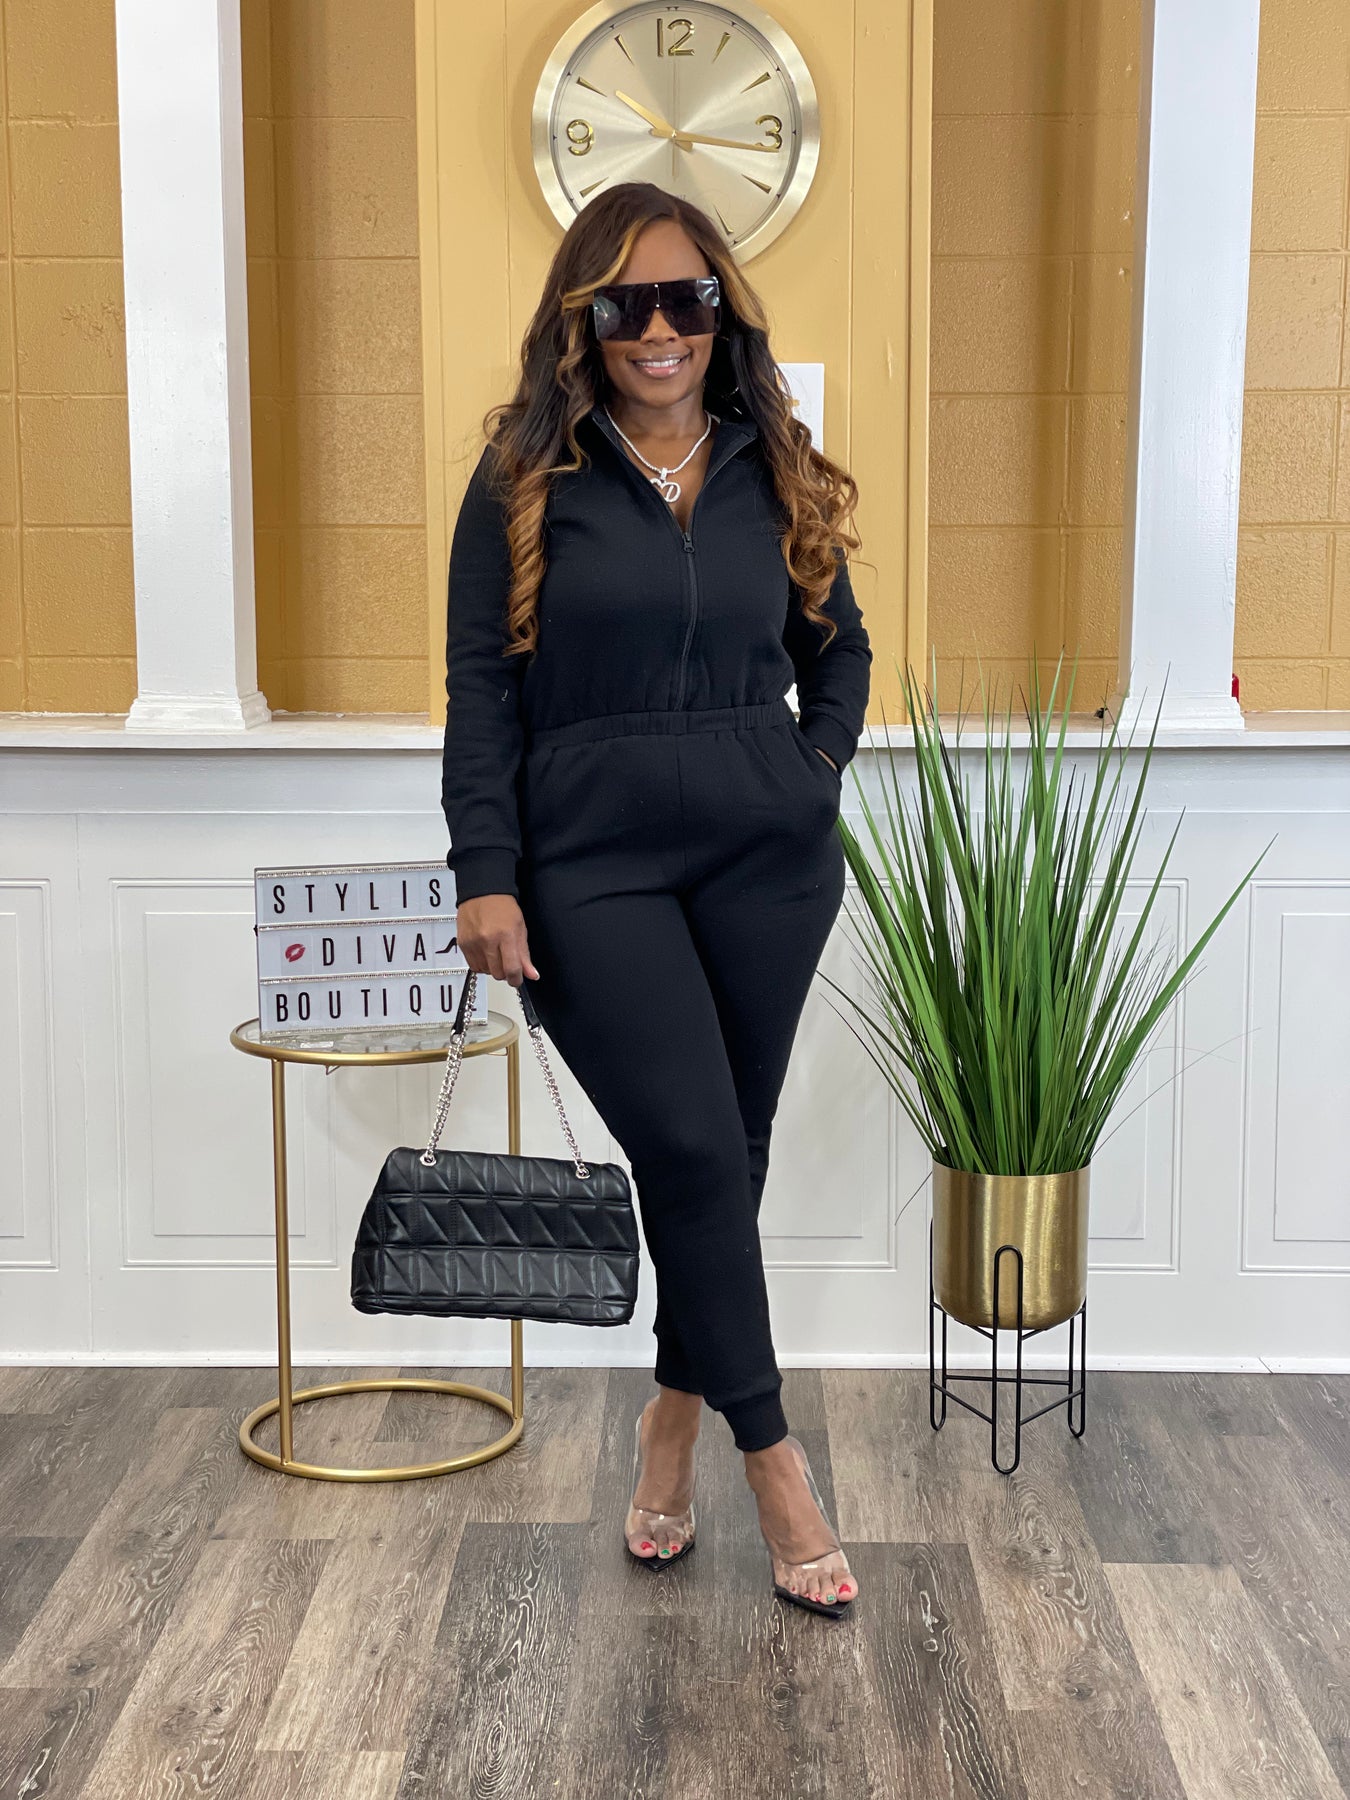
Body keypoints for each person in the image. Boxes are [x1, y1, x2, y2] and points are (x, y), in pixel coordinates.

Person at [441, 181, 871, 1618]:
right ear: (585, 321)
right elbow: (480, 689)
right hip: (590, 865)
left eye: (688, 298)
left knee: (722, 1157)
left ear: (721, 313)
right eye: (627, 303)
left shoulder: (772, 464)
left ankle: (671, 1422)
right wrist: (486, 873)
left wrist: (810, 766)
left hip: (767, 860)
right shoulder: (524, 476)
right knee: (688, 1143)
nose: (660, 328)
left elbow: (842, 649)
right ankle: (774, 1462)